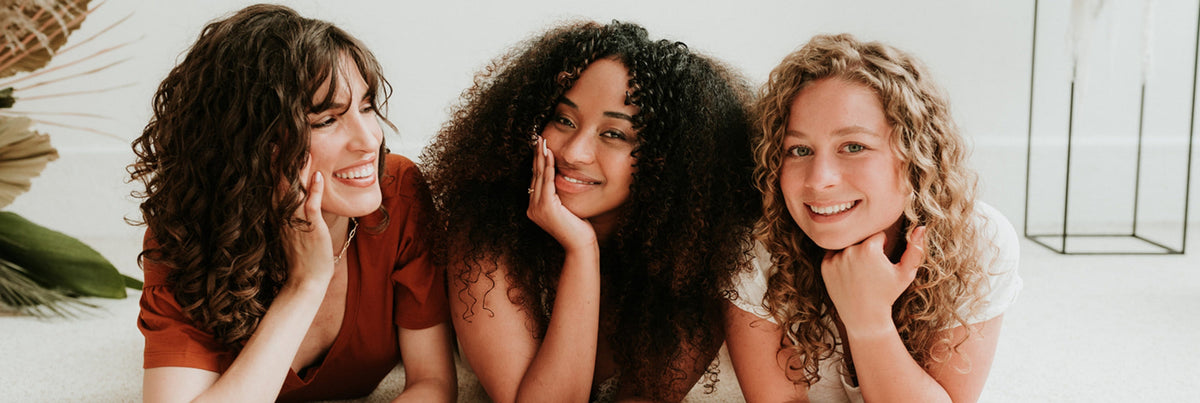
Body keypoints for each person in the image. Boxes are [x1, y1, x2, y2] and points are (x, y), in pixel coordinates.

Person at [128, 5, 455, 402]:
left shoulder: (397, 193)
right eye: (327, 120)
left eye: (366, 107)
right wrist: (305, 284)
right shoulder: (184, 232)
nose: (370, 140)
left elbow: (432, 384)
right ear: (251, 145)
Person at [420, 20, 760, 402]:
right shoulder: (488, 223)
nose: (573, 152)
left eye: (614, 134)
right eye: (564, 120)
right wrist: (581, 251)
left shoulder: (693, 262)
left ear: (669, 162)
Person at [724, 34, 1022, 403]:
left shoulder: (979, 239)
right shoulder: (756, 244)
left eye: (853, 147)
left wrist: (869, 320)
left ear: (916, 155)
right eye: (799, 150)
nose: (819, 179)